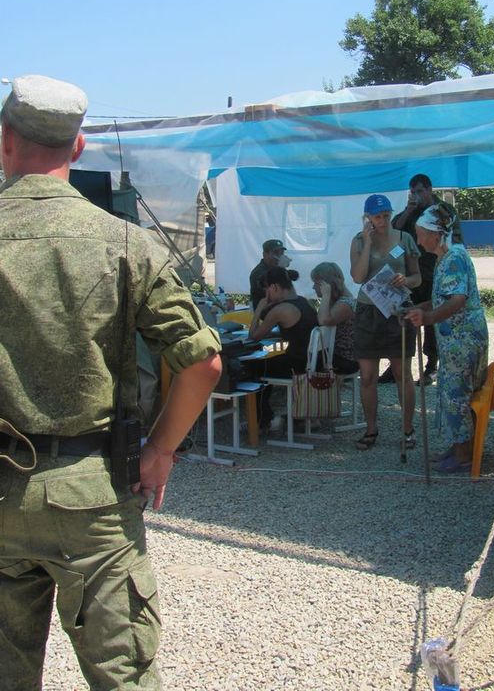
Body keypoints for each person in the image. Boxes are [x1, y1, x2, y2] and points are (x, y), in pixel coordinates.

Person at [0, 74, 222, 690]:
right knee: (122, 676)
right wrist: (161, 451)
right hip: (92, 493)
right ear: (78, 147)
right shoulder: (127, 243)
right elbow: (202, 363)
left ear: (4, 139)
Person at [405, 203, 488, 473]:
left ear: (435, 233)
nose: (419, 241)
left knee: (457, 395)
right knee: (450, 393)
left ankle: (464, 455)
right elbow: (442, 298)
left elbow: (457, 299)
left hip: (463, 341)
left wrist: (428, 318)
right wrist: (419, 308)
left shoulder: (454, 258)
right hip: (453, 342)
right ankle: (457, 446)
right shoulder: (445, 258)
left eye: (421, 234)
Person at [350, 194, 421, 450]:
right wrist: (368, 242)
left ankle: (408, 429)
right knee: (367, 376)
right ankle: (371, 429)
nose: (383, 220)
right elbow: (358, 277)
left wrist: (405, 280)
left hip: (397, 310)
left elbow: (417, 277)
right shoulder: (358, 240)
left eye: (386, 215)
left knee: (403, 373)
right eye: (378, 216)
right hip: (368, 311)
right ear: (367, 218)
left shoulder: (404, 238)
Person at [380, 173, 462, 387]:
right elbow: (394, 231)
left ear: (429, 189)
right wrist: (409, 210)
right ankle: (398, 365)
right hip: (412, 274)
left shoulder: (443, 211)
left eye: (420, 191)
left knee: (432, 321)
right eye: (413, 192)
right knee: (406, 317)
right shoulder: (412, 210)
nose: (416, 195)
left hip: (435, 272)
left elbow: (455, 240)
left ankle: (431, 366)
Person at [248, 266, 318, 428]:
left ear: (274, 287)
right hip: (311, 361)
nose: (267, 294)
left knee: (253, 367)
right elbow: (297, 330)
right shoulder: (304, 301)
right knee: (266, 363)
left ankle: (262, 420)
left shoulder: (280, 309)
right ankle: (269, 417)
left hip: (297, 365)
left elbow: (253, 336)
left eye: (267, 290)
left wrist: (259, 309)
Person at [310, 261, 359, 374]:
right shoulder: (339, 301)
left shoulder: (345, 303)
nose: (313, 287)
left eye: (316, 283)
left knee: (300, 359)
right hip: (335, 356)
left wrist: (326, 295)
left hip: (346, 360)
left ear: (326, 285)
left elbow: (323, 321)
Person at [249, 238, 291, 309]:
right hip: (263, 311)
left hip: (278, 308)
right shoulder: (258, 273)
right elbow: (275, 294)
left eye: (282, 253)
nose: (280, 256)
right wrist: (281, 269)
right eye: (276, 253)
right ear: (265, 254)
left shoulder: (277, 268)